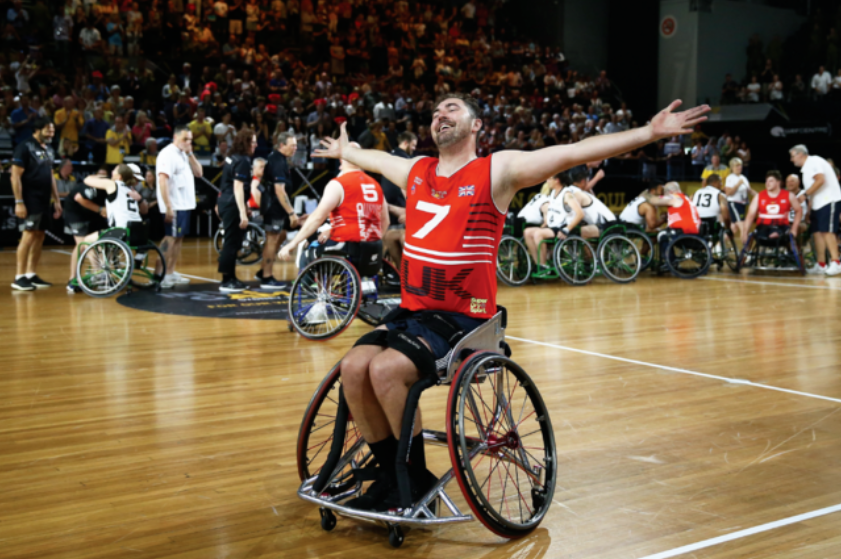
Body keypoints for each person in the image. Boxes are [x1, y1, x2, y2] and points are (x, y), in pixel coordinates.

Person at [295, 93, 708, 512]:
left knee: (384, 370)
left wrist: (648, 133)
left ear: (476, 126)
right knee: (351, 366)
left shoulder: (497, 171)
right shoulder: (417, 170)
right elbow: (377, 158)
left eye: (451, 109)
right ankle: (389, 472)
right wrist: (348, 151)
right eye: (435, 110)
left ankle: (412, 480)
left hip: (462, 321)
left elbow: (573, 152)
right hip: (413, 314)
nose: (440, 114)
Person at [279, 141, 388, 266]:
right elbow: (385, 221)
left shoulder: (338, 184)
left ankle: (310, 285)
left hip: (347, 246)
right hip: (373, 248)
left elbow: (318, 217)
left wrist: (292, 244)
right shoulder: (375, 184)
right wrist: (374, 243)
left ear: (341, 160)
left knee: (307, 251)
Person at [11, 117, 60, 291]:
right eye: (48, 130)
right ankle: (19, 277)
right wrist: (19, 202)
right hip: (29, 198)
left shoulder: (50, 149)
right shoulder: (24, 147)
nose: (51, 134)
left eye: (53, 131)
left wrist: (57, 200)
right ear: (37, 130)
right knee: (29, 234)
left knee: (40, 235)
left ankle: (31, 274)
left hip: (44, 199)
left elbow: (51, 176)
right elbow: (15, 176)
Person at [156, 125, 203, 288]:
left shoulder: (183, 154)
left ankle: (170, 271)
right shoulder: (167, 154)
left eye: (190, 139)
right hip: (174, 204)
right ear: (175, 137)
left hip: (184, 204)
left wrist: (190, 153)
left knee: (178, 238)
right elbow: (163, 180)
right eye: (185, 139)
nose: (188, 142)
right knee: (170, 237)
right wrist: (168, 206)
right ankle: (159, 274)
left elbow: (199, 173)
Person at [790, 145, 841, 275]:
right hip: (818, 204)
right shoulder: (806, 169)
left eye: (793, 156)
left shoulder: (814, 161)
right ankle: (821, 264)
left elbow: (820, 180)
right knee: (817, 233)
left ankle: (836, 263)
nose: (791, 159)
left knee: (827, 231)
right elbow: (813, 190)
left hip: (829, 200)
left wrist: (805, 195)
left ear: (800, 154)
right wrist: (809, 209)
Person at [217, 129, 256, 292]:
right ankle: (226, 280)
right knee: (231, 242)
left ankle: (231, 277)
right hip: (232, 204)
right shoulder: (243, 161)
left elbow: (224, 183)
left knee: (232, 241)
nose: (256, 145)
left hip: (225, 202)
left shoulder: (231, 158)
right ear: (245, 142)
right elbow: (238, 187)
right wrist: (242, 211)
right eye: (253, 142)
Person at [258, 132, 299, 288]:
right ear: (282, 145)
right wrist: (291, 212)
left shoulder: (279, 158)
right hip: (274, 207)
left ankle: (263, 270)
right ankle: (267, 277)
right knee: (272, 240)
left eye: (296, 145)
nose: (295, 148)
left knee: (280, 235)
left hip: (275, 206)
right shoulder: (277, 162)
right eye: (292, 145)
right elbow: (279, 191)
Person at [63, 172, 108, 293]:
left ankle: (98, 273)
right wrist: (100, 210)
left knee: (97, 241)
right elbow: (79, 198)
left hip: (91, 213)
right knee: (82, 244)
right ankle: (72, 278)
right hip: (76, 213)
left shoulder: (109, 187)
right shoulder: (92, 186)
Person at [741, 170, 802, 250]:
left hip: (782, 227)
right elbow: (750, 216)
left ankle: (797, 258)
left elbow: (799, 211)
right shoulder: (759, 196)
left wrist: (794, 229)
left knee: (789, 237)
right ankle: (745, 258)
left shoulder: (789, 195)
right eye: (766, 181)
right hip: (763, 227)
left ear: (778, 182)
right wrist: (745, 232)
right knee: (750, 237)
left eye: (771, 181)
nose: (767, 183)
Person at [381, 131, 416, 270]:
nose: (414, 149)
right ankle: (407, 275)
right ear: (406, 143)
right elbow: (406, 186)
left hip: (388, 208)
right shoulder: (405, 161)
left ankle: (402, 275)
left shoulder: (388, 157)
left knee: (390, 237)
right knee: (399, 239)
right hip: (401, 208)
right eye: (413, 145)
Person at [723, 156, 754, 244]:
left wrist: (760, 195)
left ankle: (717, 246)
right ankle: (746, 253)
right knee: (744, 228)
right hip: (734, 204)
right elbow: (728, 193)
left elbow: (749, 190)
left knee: (734, 228)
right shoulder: (730, 178)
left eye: (740, 165)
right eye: (737, 166)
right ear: (732, 168)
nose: (740, 167)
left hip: (743, 204)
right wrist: (737, 184)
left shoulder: (743, 177)